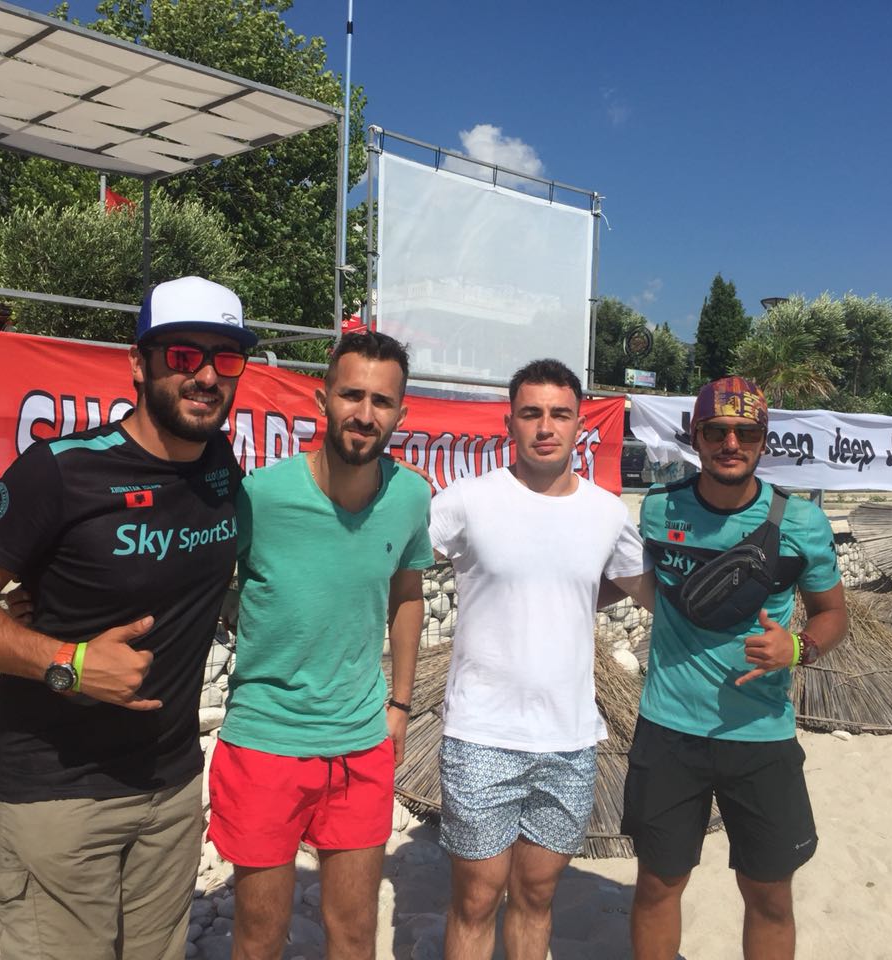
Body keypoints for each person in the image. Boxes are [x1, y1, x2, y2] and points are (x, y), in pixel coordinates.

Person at [0, 276, 256, 960]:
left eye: (226, 357)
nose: (206, 375)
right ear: (139, 364)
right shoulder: (60, 471)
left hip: (171, 789)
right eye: (183, 355)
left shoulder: (220, 467)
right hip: (58, 796)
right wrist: (68, 663)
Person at [207, 331, 433, 960]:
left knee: (355, 931)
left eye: (381, 401)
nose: (365, 414)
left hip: (360, 744)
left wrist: (400, 705)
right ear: (321, 398)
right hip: (265, 741)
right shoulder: (261, 496)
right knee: (259, 935)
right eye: (352, 395)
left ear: (401, 413)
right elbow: (194, 575)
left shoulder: (411, 496)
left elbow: (407, 593)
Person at [428, 358, 653, 960]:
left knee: (536, 897)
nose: (545, 427)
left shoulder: (607, 512)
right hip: (481, 734)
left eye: (559, 414)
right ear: (509, 422)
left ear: (580, 424)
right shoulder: (467, 501)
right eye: (531, 413)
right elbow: (395, 566)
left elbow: (647, 588)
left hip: (569, 740)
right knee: (476, 900)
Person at [624, 376, 849, 960]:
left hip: (762, 734)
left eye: (746, 432)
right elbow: (613, 574)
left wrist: (797, 648)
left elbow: (833, 615)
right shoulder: (658, 510)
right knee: (658, 885)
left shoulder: (802, 523)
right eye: (717, 431)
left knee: (768, 893)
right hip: (669, 728)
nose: (731, 443)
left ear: (763, 440)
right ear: (696, 437)